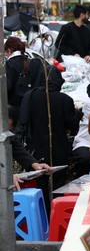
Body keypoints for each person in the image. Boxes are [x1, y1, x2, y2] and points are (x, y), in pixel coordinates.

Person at [13, 66, 78, 207]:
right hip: (59, 149)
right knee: (58, 187)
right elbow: (73, 127)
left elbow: (22, 122)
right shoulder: (65, 100)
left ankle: (44, 217)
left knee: (40, 188)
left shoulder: (29, 96)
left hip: (35, 150)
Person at [5, 37, 32, 115]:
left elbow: (7, 86)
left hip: (14, 107)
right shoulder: (31, 62)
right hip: (30, 106)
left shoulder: (10, 64)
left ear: (9, 50)